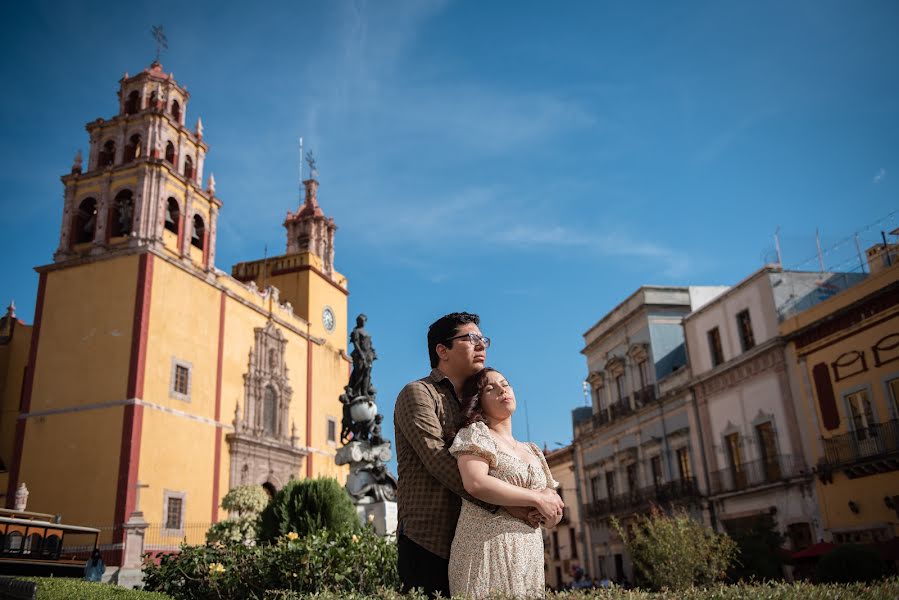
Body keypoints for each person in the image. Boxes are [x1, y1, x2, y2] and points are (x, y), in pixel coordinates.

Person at [394, 312, 546, 598]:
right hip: (430, 541)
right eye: (470, 338)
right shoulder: (419, 394)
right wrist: (508, 503)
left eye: (483, 339)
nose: (481, 345)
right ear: (442, 350)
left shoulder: (480, 405)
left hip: (482, 542)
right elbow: (439, 461)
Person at [448, 367, 565, 598]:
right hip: (486, 548)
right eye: (491, 388)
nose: (503, 389)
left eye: (506, 383)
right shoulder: (476, 434)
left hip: (529, 554)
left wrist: (546, 514)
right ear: (478, 402)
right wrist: (536, 498)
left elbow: (554, 509)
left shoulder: (533, 450)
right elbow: (476, 483)